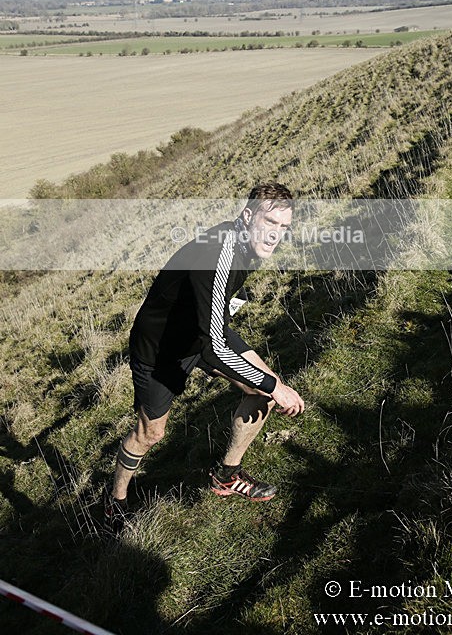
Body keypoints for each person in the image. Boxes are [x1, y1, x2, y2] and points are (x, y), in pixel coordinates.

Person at [104, 182, 305, 533]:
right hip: (161, 350)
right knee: (151, 434)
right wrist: (275, 385)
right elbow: (215, 345)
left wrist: (270, 385)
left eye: (283, 228)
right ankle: (115, 501)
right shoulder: (217, 252)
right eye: (270, 222)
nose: (275, 235)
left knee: (263, 393)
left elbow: (215, 323)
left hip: (206, 334)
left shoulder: (248, 246)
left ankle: (226, 476)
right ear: (247, 216)